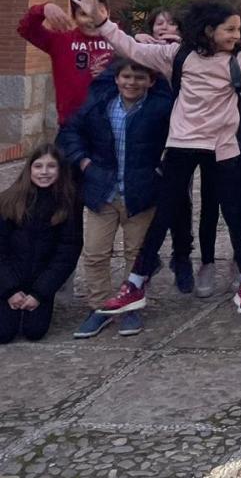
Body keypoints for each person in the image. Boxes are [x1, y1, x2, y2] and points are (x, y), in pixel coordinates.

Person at [76, 0, 241, 317]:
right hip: (182, 144)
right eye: (229, 30)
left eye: (238, 29)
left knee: (235, 214)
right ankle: (135, 283)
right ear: (209, 30)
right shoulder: (178, 55)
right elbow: (131, 48)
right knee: (164, 213)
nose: (236, 36)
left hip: (222, 147)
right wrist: (102, 22)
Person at [58, 59, 172, 339]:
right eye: (126, 76)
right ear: (116, 78)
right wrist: (84, 163)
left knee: (137, 254)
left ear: (151, 81)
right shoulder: (100, 104)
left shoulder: (160, 108)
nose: (131, 83)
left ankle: (130, 304)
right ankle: (99, 307)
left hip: (140, 192)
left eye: (139, 77)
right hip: (103, 190)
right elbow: (70, 132)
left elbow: (178, 140)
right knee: (95, 252)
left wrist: (160, 170)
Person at [135, 8, 204, 296]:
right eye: (158, 23)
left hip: (181, 134)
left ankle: (182, 256)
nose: (164, 27)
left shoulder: (188, 53)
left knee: (179, 197)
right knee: (148, 193)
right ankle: (147, 257)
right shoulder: (143, 51)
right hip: (149, 133)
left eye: (171, 22)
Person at [0, 144, 82, 344]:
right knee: (4, 334)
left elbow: (66, 254)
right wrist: (10, 290)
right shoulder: (9, 200)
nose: (44, 172)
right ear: (29, 169)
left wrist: (40, 293)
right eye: (38, 166)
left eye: (51, 166)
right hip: (9, 277)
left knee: (34, 332)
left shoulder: (68, 204)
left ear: (60, 170)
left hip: (40, 280)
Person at [17, 0, 116, 124]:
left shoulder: (121, 41)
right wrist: (43, 9)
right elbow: (26, 29)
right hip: (73, 124)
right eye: (84, 14)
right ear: (74, 17)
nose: (92, 19)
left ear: (108, 13)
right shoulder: (61, 40)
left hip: (113, 123)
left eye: (99, 12)